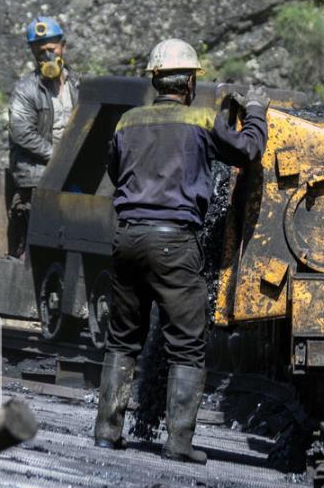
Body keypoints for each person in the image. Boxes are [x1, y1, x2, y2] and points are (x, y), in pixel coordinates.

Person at [94, 38, 269, 462]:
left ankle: (106, 432)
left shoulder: (126, 123)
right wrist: (257, 113)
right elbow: (248, 151)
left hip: (129, 238)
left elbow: (115, 172)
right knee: (187, 346)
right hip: (174, 241)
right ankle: (178, 444)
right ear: (189, 83)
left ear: (155, 80)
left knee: (122, 340)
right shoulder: (203, 119)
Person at [7, 16, 79, 258]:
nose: (47, 56)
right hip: (37, 178)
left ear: (62, 47)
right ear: (32, 53)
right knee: (35, 249)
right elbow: (21, 133)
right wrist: (58, 156)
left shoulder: (77, 85)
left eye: (51, 49)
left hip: (71, 175)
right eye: (40, 52)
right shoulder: (25, 89)